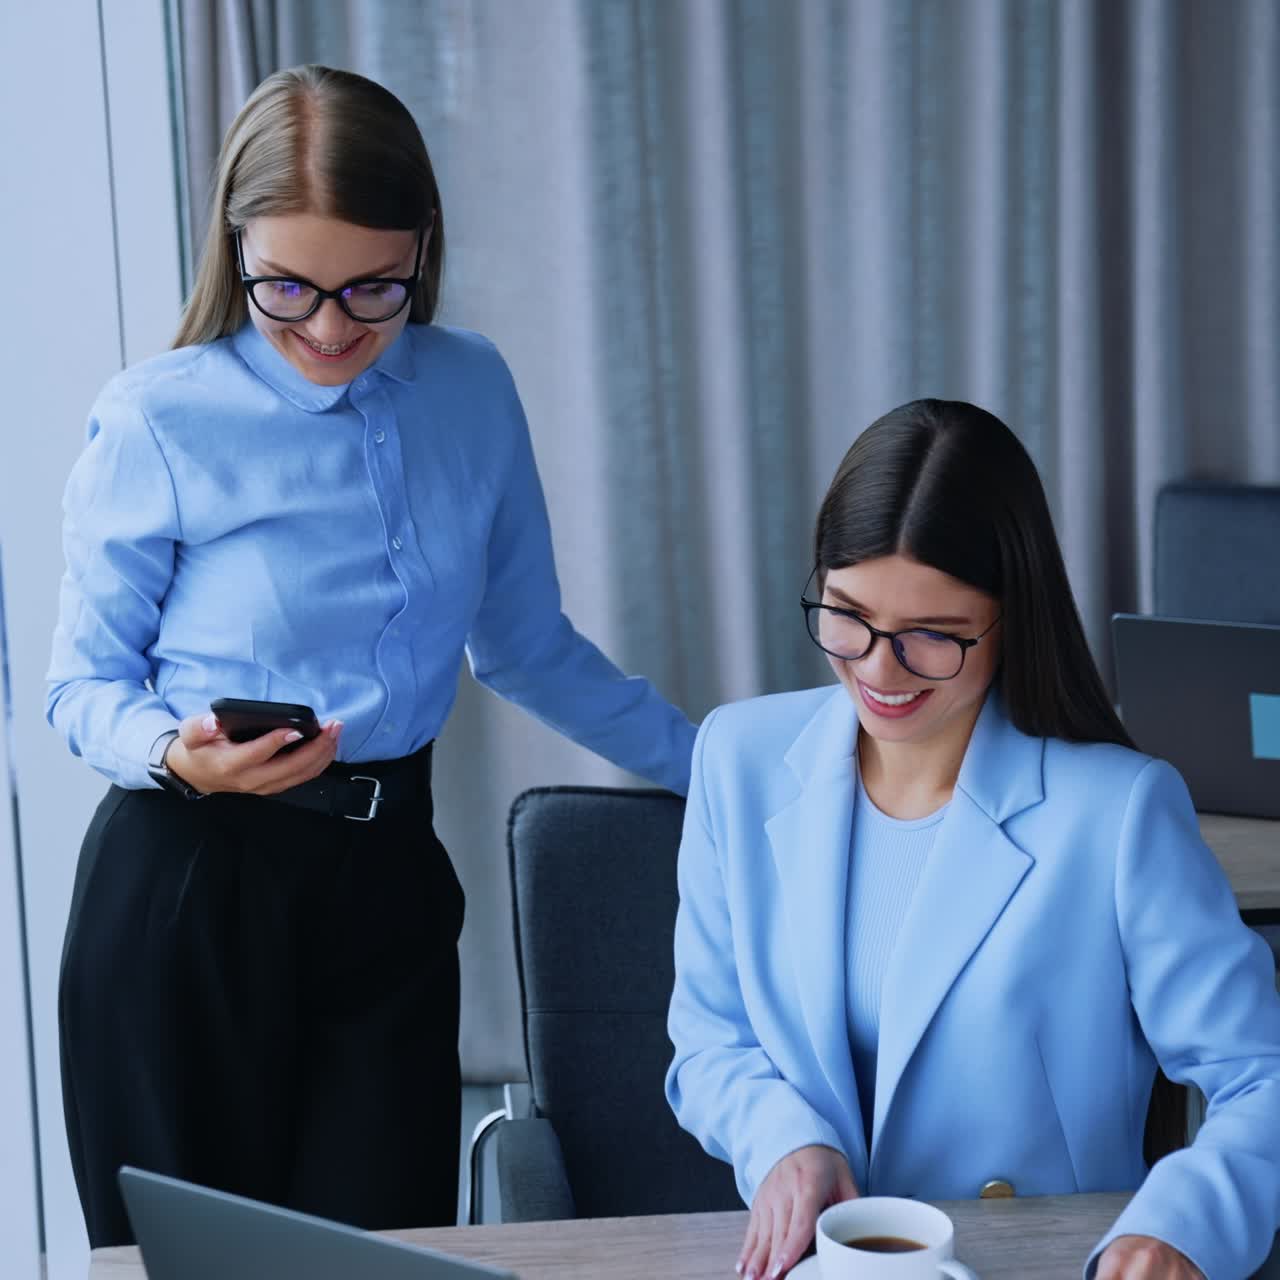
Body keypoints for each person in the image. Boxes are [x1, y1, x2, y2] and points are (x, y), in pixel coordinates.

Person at [49, 64, 696, 1248]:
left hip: (388, 876)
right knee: (190, 1269)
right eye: (285, 287)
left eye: (373, 287)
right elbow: (79, 683)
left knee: (385, 1252)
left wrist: (718, 768)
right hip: (191, 891)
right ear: (234, 247)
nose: (331, 327)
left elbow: (526, 645)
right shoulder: (157, 416)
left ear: (422, 247)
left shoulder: (472, 388)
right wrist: (173, 755)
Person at [665, 399, 1280, 1280]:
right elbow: (710, 1036)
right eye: (847, 615)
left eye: (932, 637)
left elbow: (1261, 1075)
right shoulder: (739, 757)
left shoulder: (1118, 812)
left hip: (1043, 1263)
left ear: (1009, 619)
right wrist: (784, 1143)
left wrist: (1181, 1229)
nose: (878, 670)